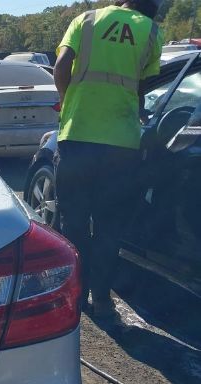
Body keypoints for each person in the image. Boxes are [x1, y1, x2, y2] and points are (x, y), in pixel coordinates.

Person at [53, 0, 164, 318]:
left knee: (73, 223)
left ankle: (75, 295)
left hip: (77, 136)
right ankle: (101, 298)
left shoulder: (86, 20)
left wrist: (68, 102)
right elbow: (142, 86)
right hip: (122, 144)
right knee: (109, 226)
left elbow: (61, 67)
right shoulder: (151, 31)